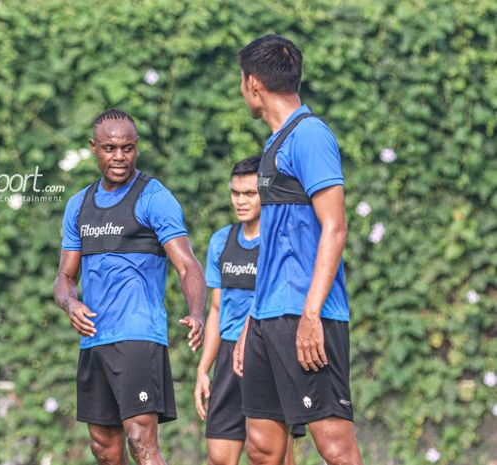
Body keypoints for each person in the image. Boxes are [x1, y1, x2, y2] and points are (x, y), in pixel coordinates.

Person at [232, 34, 365, 465]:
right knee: (263, 448)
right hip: (268, 317)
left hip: (307, 315)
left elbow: (335, 228)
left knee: (334, 446)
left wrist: (311, 316)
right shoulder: (274, 145)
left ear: (253, 83)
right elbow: (275, 246)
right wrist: (253, 319)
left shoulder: (310, 136)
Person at [53, 108, 206, 465]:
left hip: (138, 335)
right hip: (94, 338)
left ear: (136, 148)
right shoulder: (79, 205)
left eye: (128, 148)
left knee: (142, 442)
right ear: (94, 148)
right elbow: (64, 278)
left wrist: (196, 312)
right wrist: (69, 305)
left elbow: (187, 265)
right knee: (103, 448)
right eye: (109, 148)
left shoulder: (154, 197)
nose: (119, 157)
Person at [194, 156, 302, 465]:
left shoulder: (280, 240)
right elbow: (216, 309)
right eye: (235, 193)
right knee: (218, 456)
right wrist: (204, 368)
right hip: (228, 355)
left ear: (265, 192)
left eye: (250, 194)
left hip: (267, 351)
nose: (240, 201)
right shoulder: (220, 241)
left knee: (274, 458)